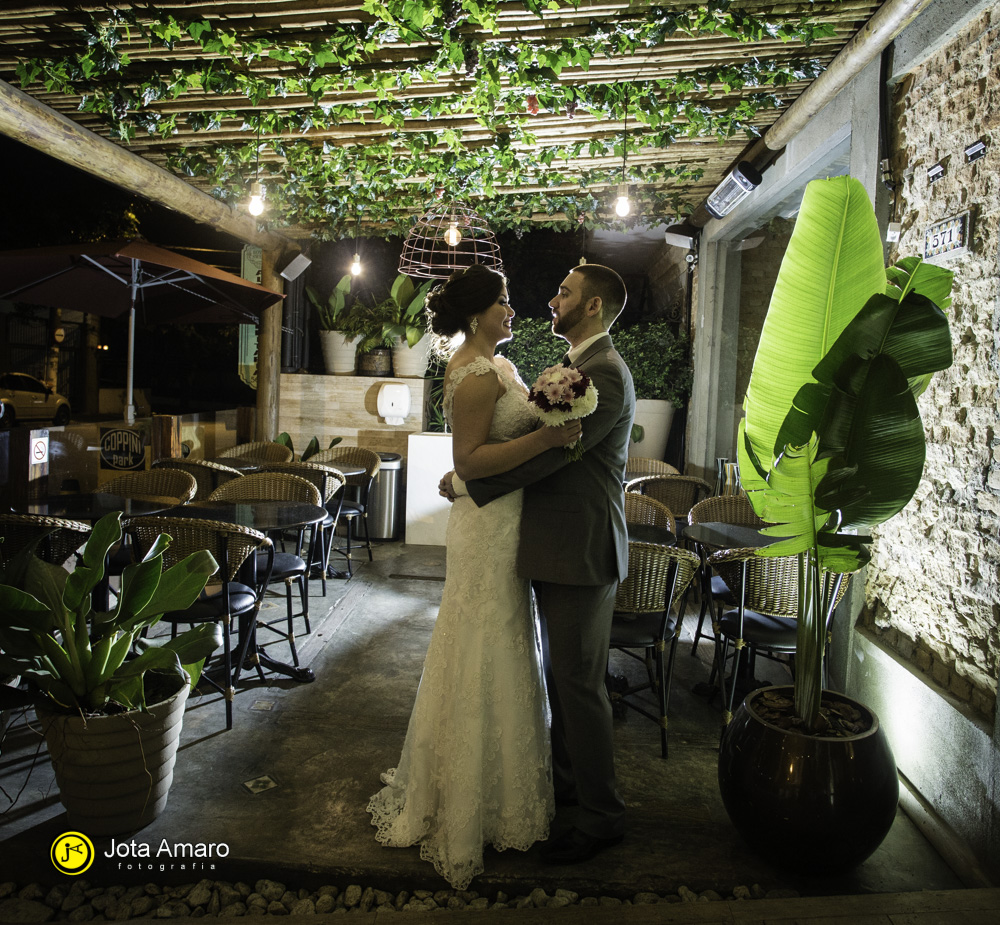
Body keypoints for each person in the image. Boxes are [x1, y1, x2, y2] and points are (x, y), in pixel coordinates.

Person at [367, 264, 581, 890]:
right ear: (475, 312)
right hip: (486, 531)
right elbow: (470, 459)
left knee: (509, 642)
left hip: (508, 520)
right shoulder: (472, 374)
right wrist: (546, 443)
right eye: (503, 303)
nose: (512, 311)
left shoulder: (503, 368)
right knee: (481, 638)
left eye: (510, 301)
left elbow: (479, 458)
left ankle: (503, 793)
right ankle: (466, 804)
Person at [443, 263, 634, 865]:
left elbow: (559, 459)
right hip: (552, 545)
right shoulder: (579, 369)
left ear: (594, 306)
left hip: (581, 547)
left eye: (565, 292)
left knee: (579, 686)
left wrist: (469, 484)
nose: (552, 299)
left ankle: (602, 819)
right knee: (563, 680)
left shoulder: (603, 374)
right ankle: (570, 790)